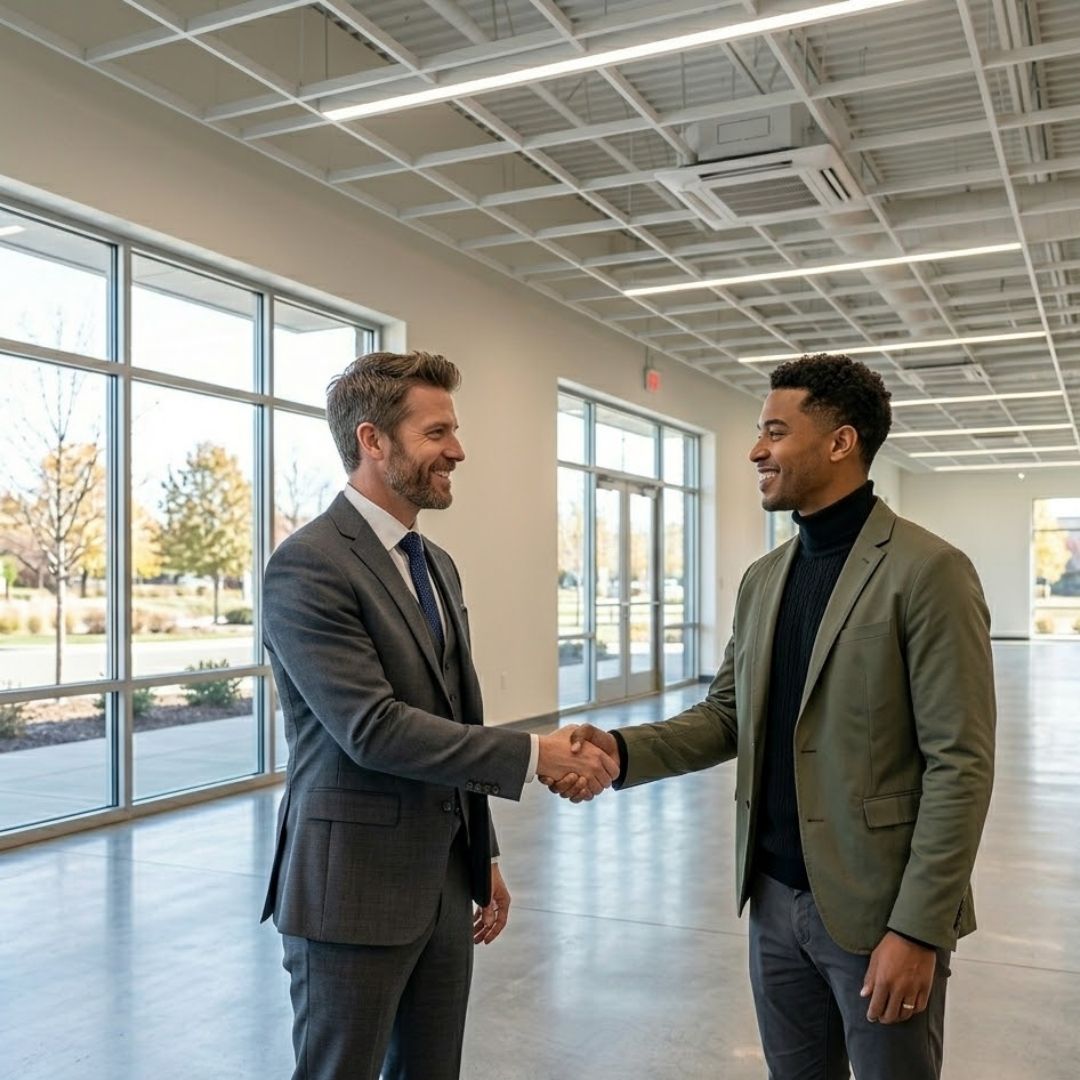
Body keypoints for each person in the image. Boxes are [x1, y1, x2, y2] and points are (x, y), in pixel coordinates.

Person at [548, 353, 996, 1080]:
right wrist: (619, 749)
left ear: (841, 442)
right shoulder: (764, 581)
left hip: (878, 910)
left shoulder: (928, 571)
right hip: (774, 903)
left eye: (775, 432)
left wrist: (917, 928)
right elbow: (728, 715)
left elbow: (961, 764)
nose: (756, 450)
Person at [261, 350, 618, 1080]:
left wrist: (480, 856)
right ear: (372, 441)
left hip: (444, 886)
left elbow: (455, 708)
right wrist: (533, 754)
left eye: (453, 430)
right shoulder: (309, 565)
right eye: (436, 432)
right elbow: (371, 727)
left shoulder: (434, 563)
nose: (457, 449)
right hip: (351, 894)